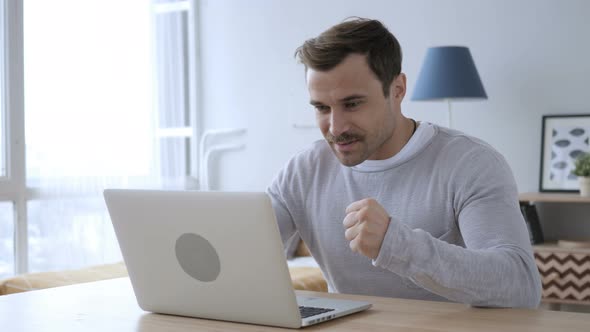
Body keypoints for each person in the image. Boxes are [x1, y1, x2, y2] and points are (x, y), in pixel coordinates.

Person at [266, 17, 541, 308]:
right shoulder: (303, 171)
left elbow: (521, 287)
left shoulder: (471, 163)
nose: (335, 127)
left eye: (352, 104)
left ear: (397, 89)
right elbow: (243, 255)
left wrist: (396, 244)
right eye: (322, 107)